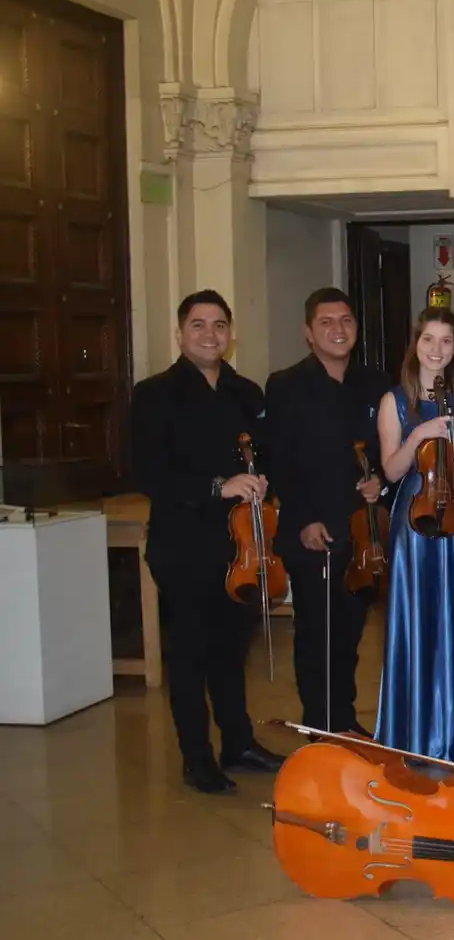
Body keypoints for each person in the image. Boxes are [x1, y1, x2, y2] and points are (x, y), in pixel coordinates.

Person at [130, 290, 284, 793]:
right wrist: (220, 486)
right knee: (192, 655)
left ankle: (237, 742)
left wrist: (263, 480)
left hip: (243, 547)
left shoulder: (246, 393)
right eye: (198, 325)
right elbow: (149, 472)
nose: (210, 335)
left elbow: (265, 456)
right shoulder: (154, 394)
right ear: (180, 334)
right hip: (186, 546)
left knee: (232, 651)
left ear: (230, 334)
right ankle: (196, 756)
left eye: (219, 325)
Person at [264, 287, 389, 736]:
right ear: (308, 332)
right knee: (316, 633)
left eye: (346, 321)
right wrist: (301, 520)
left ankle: (344, 718)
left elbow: (385, 453)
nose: (338, 330)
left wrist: (382, 481)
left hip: (361, 532)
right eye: (326, 323)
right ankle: (320, 724)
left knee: (351, 632)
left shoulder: (375, 384)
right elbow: (278, 460)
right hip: (311, 530)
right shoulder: (284, 385)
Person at [373, 308, 454, 759]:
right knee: (418, 619)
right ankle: (416, 730)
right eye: (428, 340)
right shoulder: (393, 400)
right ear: (414, 344)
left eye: (446, 341)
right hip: (416, 519)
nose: (436, 350)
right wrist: (419, 434)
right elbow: (392, 469)